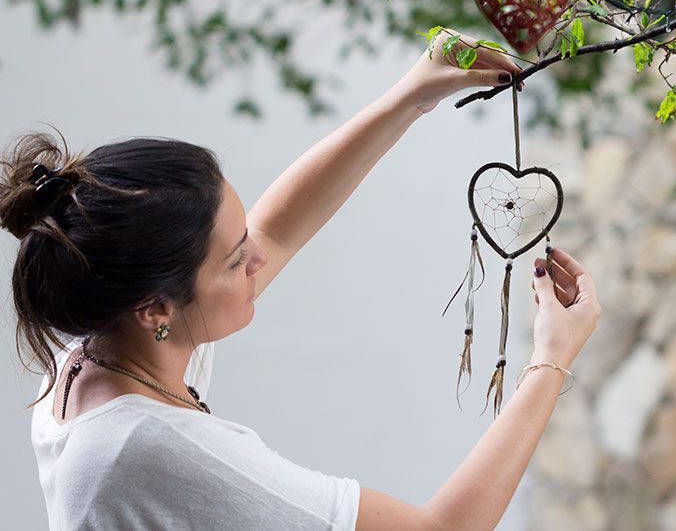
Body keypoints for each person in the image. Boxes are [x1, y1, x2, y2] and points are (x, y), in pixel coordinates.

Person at [0, 28, 603, 530]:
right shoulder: (144, 450)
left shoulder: (99, 341)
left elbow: (278, 230)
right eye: (236, 262)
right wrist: (551, 357)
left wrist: (412, 96)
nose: (257, 261)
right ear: (155, 308)